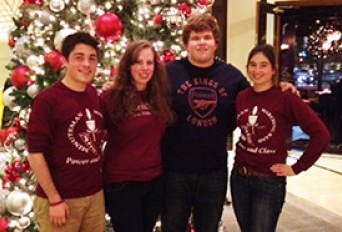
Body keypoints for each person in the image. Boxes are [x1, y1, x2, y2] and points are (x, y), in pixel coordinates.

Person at [161, 14, 298, 232]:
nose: (202, 42)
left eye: (207, 37)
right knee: (172, 227)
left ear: (215, 42)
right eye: (195, 38)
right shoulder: (167, 73)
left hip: (213, 172)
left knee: (209, 228)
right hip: (174, 172)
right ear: (186, 43)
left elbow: (258, 93)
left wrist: (281, 86)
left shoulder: (232, 77)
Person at [230, 44, 330, 232]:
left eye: (263, 65)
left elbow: (321, 135)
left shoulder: (286, 97)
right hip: (239, 178)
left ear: (274, 69)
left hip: (268, 182)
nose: (257, 70)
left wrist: (298, 167)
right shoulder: (242, 97)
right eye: (252, 65)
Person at [27, 32, 106, 231]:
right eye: (79, 57)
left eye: (92, 58)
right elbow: (35, 154)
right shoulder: (48, 100)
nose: (86, 64)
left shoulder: (95, 96)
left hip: (94, 197)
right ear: (65, 61)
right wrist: (54, 200)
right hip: (61, 201)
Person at [102, 40, 175, 232]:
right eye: (138, 62)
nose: (144, 68)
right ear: (128, 66)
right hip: (123, 184)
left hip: (154, 181)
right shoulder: (110, 98)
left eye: (149, 63)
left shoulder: (159, 97)